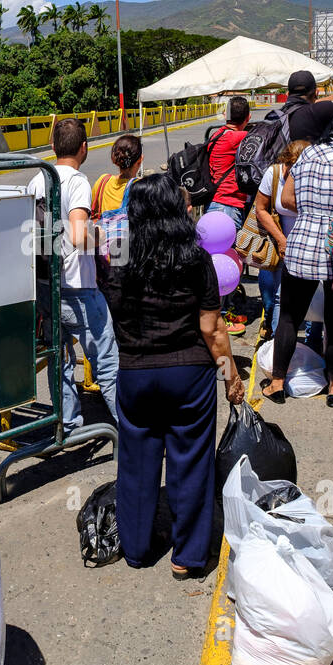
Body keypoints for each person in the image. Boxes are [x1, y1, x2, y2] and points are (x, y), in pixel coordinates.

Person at [97, 173, 245, 578]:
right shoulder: (195, 257)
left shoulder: (122, 253)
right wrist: (231, 375)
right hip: (189, 375)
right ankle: (189, 557)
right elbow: (212, 329)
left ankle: (138, 548)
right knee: (191, 462)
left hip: (135, 372)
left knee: (137, 462)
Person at [262, 108, 333, 406]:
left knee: (289, 317)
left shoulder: (308, 155)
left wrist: (314, 209)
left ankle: (276, 383)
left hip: (301, 242)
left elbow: (285, 200)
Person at [26, 118, 119, 434]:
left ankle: (68, 422)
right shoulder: (77, 181)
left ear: (52, 147)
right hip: (78, 288)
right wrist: (100, 237)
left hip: (46, 287)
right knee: (107, 362)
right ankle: (130, 427)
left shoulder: (36, 180)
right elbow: (79, 236)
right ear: (84, 148)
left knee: (60, 359)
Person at [251, 139, 310, 342]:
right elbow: (261, 209)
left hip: (309, 245)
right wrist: (282, 240)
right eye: (290, 168)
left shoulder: (314, 175)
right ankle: (276, 344)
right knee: (279, 297)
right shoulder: (274, 173)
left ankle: (312, 344)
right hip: (280, 245)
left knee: (312, 299)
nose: (293, 173)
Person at [205, 96, 251, 334]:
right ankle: (222, 315)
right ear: (248, 118)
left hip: (214, 207)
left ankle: (212, 313)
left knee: (211, 264)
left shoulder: (218, 135)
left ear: (226, 116)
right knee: (227, 265)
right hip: (229, 208)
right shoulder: (239, 137)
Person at [282, 70, 333, 143]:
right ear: (316, 93)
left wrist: (319, 101)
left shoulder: (279, 113)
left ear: (288, 94)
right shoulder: (318, 110)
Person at [91, 134, 142, 219]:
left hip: (106, 231)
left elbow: (92, 210)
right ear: (139, 161)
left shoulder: (103, 181)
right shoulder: (141, 188)